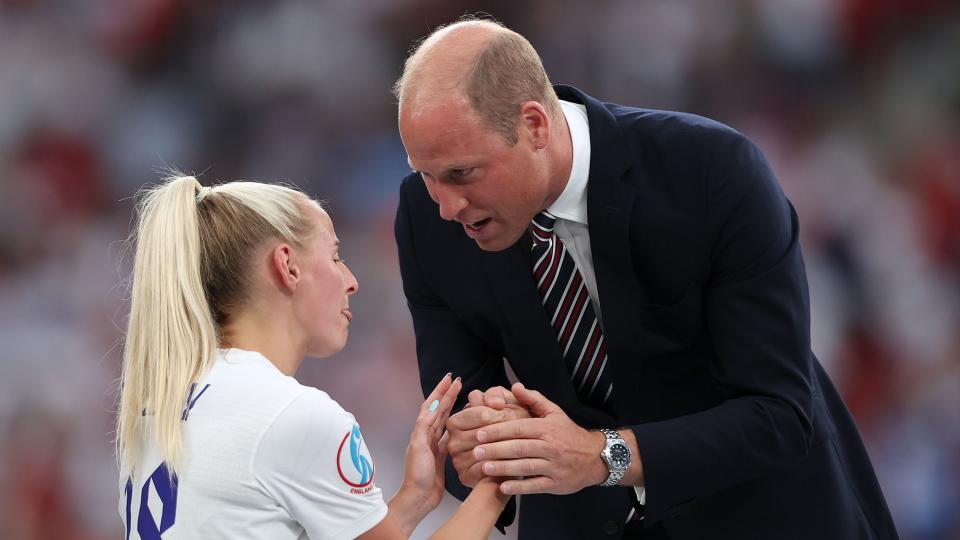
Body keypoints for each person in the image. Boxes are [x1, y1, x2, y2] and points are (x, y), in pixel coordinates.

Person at [392, 18, 900, 540]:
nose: (446, 205)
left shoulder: (711, 170)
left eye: (462, 173)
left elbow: (780, 414)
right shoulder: (422, 217)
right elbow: (454, 416)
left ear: (535, 126)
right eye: (425, 174)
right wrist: (481, 445)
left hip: (768, 515)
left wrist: (600, 456)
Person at [115, 175, 508, 539]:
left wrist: (416, 497)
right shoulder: (293, 415)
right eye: (336, 256)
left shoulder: (162, 407)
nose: (351, 280)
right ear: (287, 266)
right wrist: (500, 470)